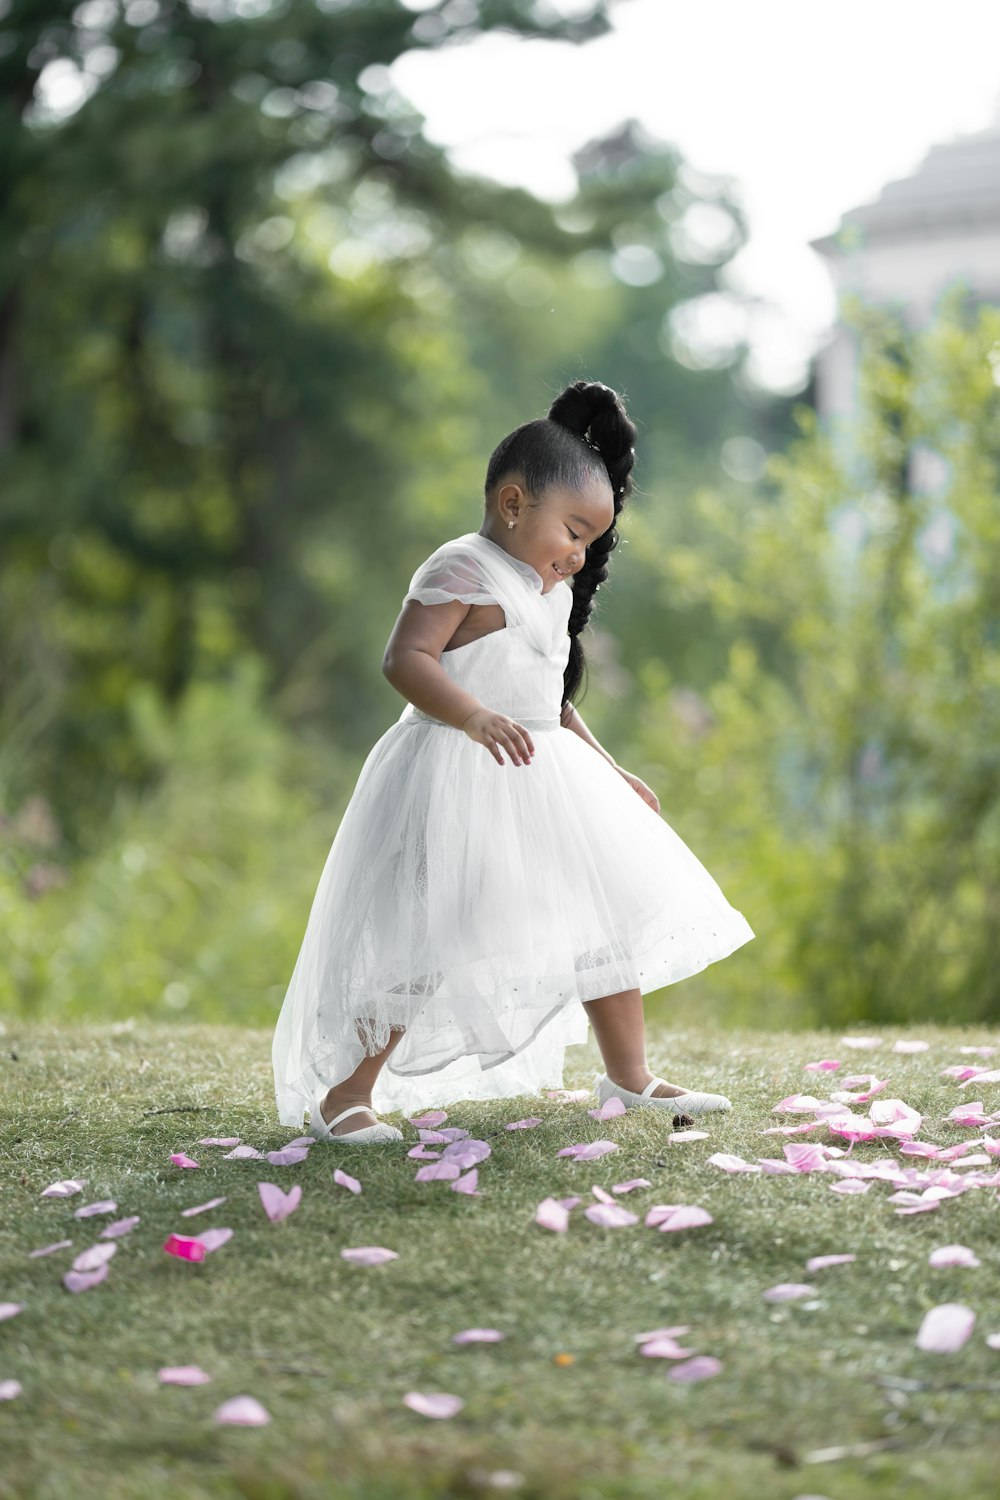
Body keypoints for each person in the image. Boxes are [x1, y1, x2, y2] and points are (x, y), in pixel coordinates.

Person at [271, 379, 754, 1144]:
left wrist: (609, 768)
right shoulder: (460, 568)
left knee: (604, 916)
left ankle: (628, 1075)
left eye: (591, 539)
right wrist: (471, 715)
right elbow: (405, 659)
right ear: (513, 503)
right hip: (454, 772)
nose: (580, 553)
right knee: (423, 931)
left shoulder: (548, 589)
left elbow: (550, 699)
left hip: (544, 773)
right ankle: (348, 1093)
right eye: (573, 529)